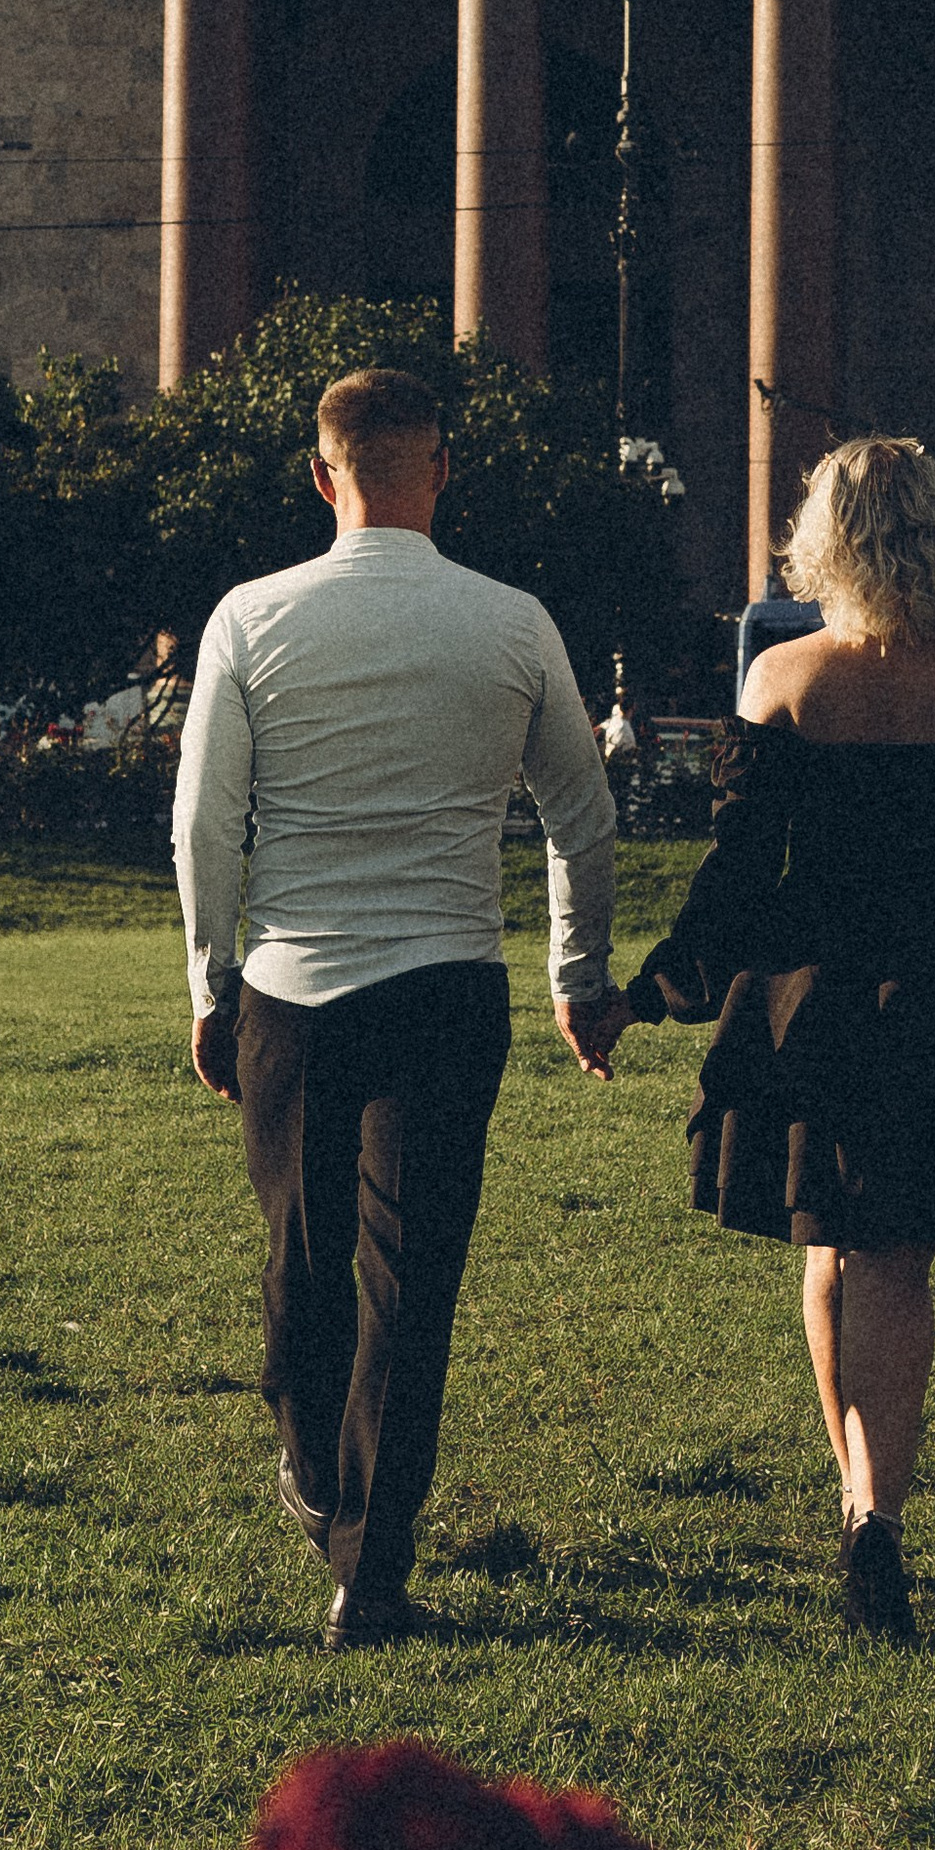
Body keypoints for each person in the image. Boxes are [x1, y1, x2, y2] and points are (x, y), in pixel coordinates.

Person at [586, 438, 935, 1644]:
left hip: (806, 1008)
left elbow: (735, 884)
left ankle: (859, 1506)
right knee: (897, 1263)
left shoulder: (784, 679)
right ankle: (874, 1513)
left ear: (823, 537)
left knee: (829, 1253)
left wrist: (648, 995)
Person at [174, 366, 622, 1649]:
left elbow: (206, 822)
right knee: (407, 1290)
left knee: (301, 1274)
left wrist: (210, 981)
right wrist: (576, 975)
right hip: (445, 988)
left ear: (323, 474)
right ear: (441, 469)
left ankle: (322, 1487)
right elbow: (579, 815)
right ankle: (370, 1570)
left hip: (294, 992)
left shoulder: (250, 619)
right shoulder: (512, 623)